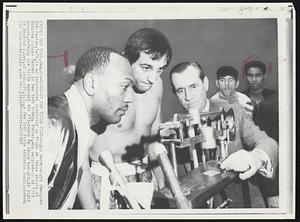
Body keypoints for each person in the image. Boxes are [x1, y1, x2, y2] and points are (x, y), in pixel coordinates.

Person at [169, 61, 278, 208]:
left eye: (193, 87)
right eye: (180, 90)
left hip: (242, 205)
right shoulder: (172, 131)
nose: (188, 97)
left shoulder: (235, 112)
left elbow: (268, 142)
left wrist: (255, 157)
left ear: (205, 83)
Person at [86, 28, 172, 208]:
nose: (152, 78)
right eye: (146, 67)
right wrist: (89, 207)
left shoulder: (157, 85)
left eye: (160, 69)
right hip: (105, 182)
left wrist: (163, 185)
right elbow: (79, 155)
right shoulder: (105, 89)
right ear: (126, 59)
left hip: (144, 177)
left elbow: (153, 139)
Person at [47, 47, 134, 209]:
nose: (130, 99)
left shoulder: (76, 122)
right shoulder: (55, 123)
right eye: (124, 86)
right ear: (91, 83)